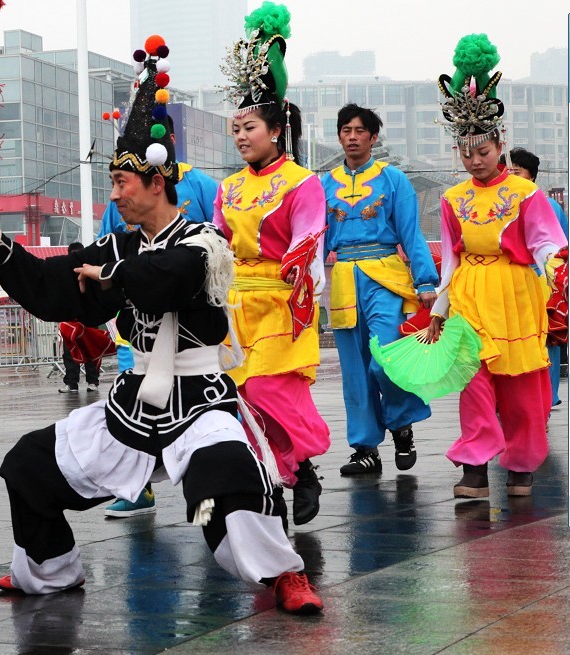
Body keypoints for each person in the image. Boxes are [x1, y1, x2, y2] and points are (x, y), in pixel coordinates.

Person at [0, 29, 322, 615]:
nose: (115, 194)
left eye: (121, 183)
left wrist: (114, 275)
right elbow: (60, 289)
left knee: (226, 478)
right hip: (133, 403)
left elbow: (171, 276)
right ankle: (50, 570)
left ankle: (282, 573)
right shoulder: (119, 244)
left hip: (199, 399)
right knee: (26, 466)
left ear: (156, 182)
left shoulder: (205, 241)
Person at [429, 35, 566, 498]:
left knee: (522, 386)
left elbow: (547, 241)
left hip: (515, 290)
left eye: (482, 152)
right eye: (465, 153)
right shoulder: (453, 198)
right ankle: (473, 465)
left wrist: (557, 267)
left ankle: (522, 464)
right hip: (470, 290)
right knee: (474, 380)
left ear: (499, 144)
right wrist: (439, 308)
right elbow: (450, 255)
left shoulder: (527, 195)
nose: (474, 161)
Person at [213, 3, 329, 527]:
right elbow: (215, 242)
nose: (241, 136)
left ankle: (302, 467)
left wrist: (303, 268)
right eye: (236, 128)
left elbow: (309, 233)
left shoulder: (303, 182)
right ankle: (275, 482)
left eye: (250, 127)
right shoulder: (229, 188)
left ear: (276, 130)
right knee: (243, 400)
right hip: (237, 303)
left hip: (283, 299)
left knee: (268, 388)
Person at [97, 118, 219, 517]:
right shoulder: (125, 190)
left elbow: (218, 243)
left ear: (170, 141)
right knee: (136, 387)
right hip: (137, 311)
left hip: (187, 312)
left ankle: (209, 481)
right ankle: (138, 484)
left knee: (198, 405)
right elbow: (111, 240)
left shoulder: (200, 184)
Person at [321, 104, 439, 475]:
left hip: (385, 274)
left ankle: (402, 424)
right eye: (345, 130)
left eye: (360, 130)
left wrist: (425, 281)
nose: (352, 136)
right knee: (354, 370)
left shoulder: (393, 179)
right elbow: (316, 239)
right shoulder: (323, 184)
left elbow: (410, 232)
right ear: (339, 136)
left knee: (387, 359)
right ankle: (365, 448)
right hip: (342, 278)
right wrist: (305, 281)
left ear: (373, 138)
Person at [505, 147, 569, 407]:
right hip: (510, 281)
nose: (510, 176)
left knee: (547, 338)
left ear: (531, 176)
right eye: (507, 171)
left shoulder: (547, 204)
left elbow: (559, 249)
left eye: (516, 172)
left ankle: (547, 396)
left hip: (543, 282)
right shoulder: (503, 205)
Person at [58, 242, 101, 394]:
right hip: (71, 319)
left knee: (90, 351)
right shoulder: (64, 273)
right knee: (69, 352)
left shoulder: (92, 272)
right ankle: (71, 383)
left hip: (90, 318)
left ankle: (93, 381)